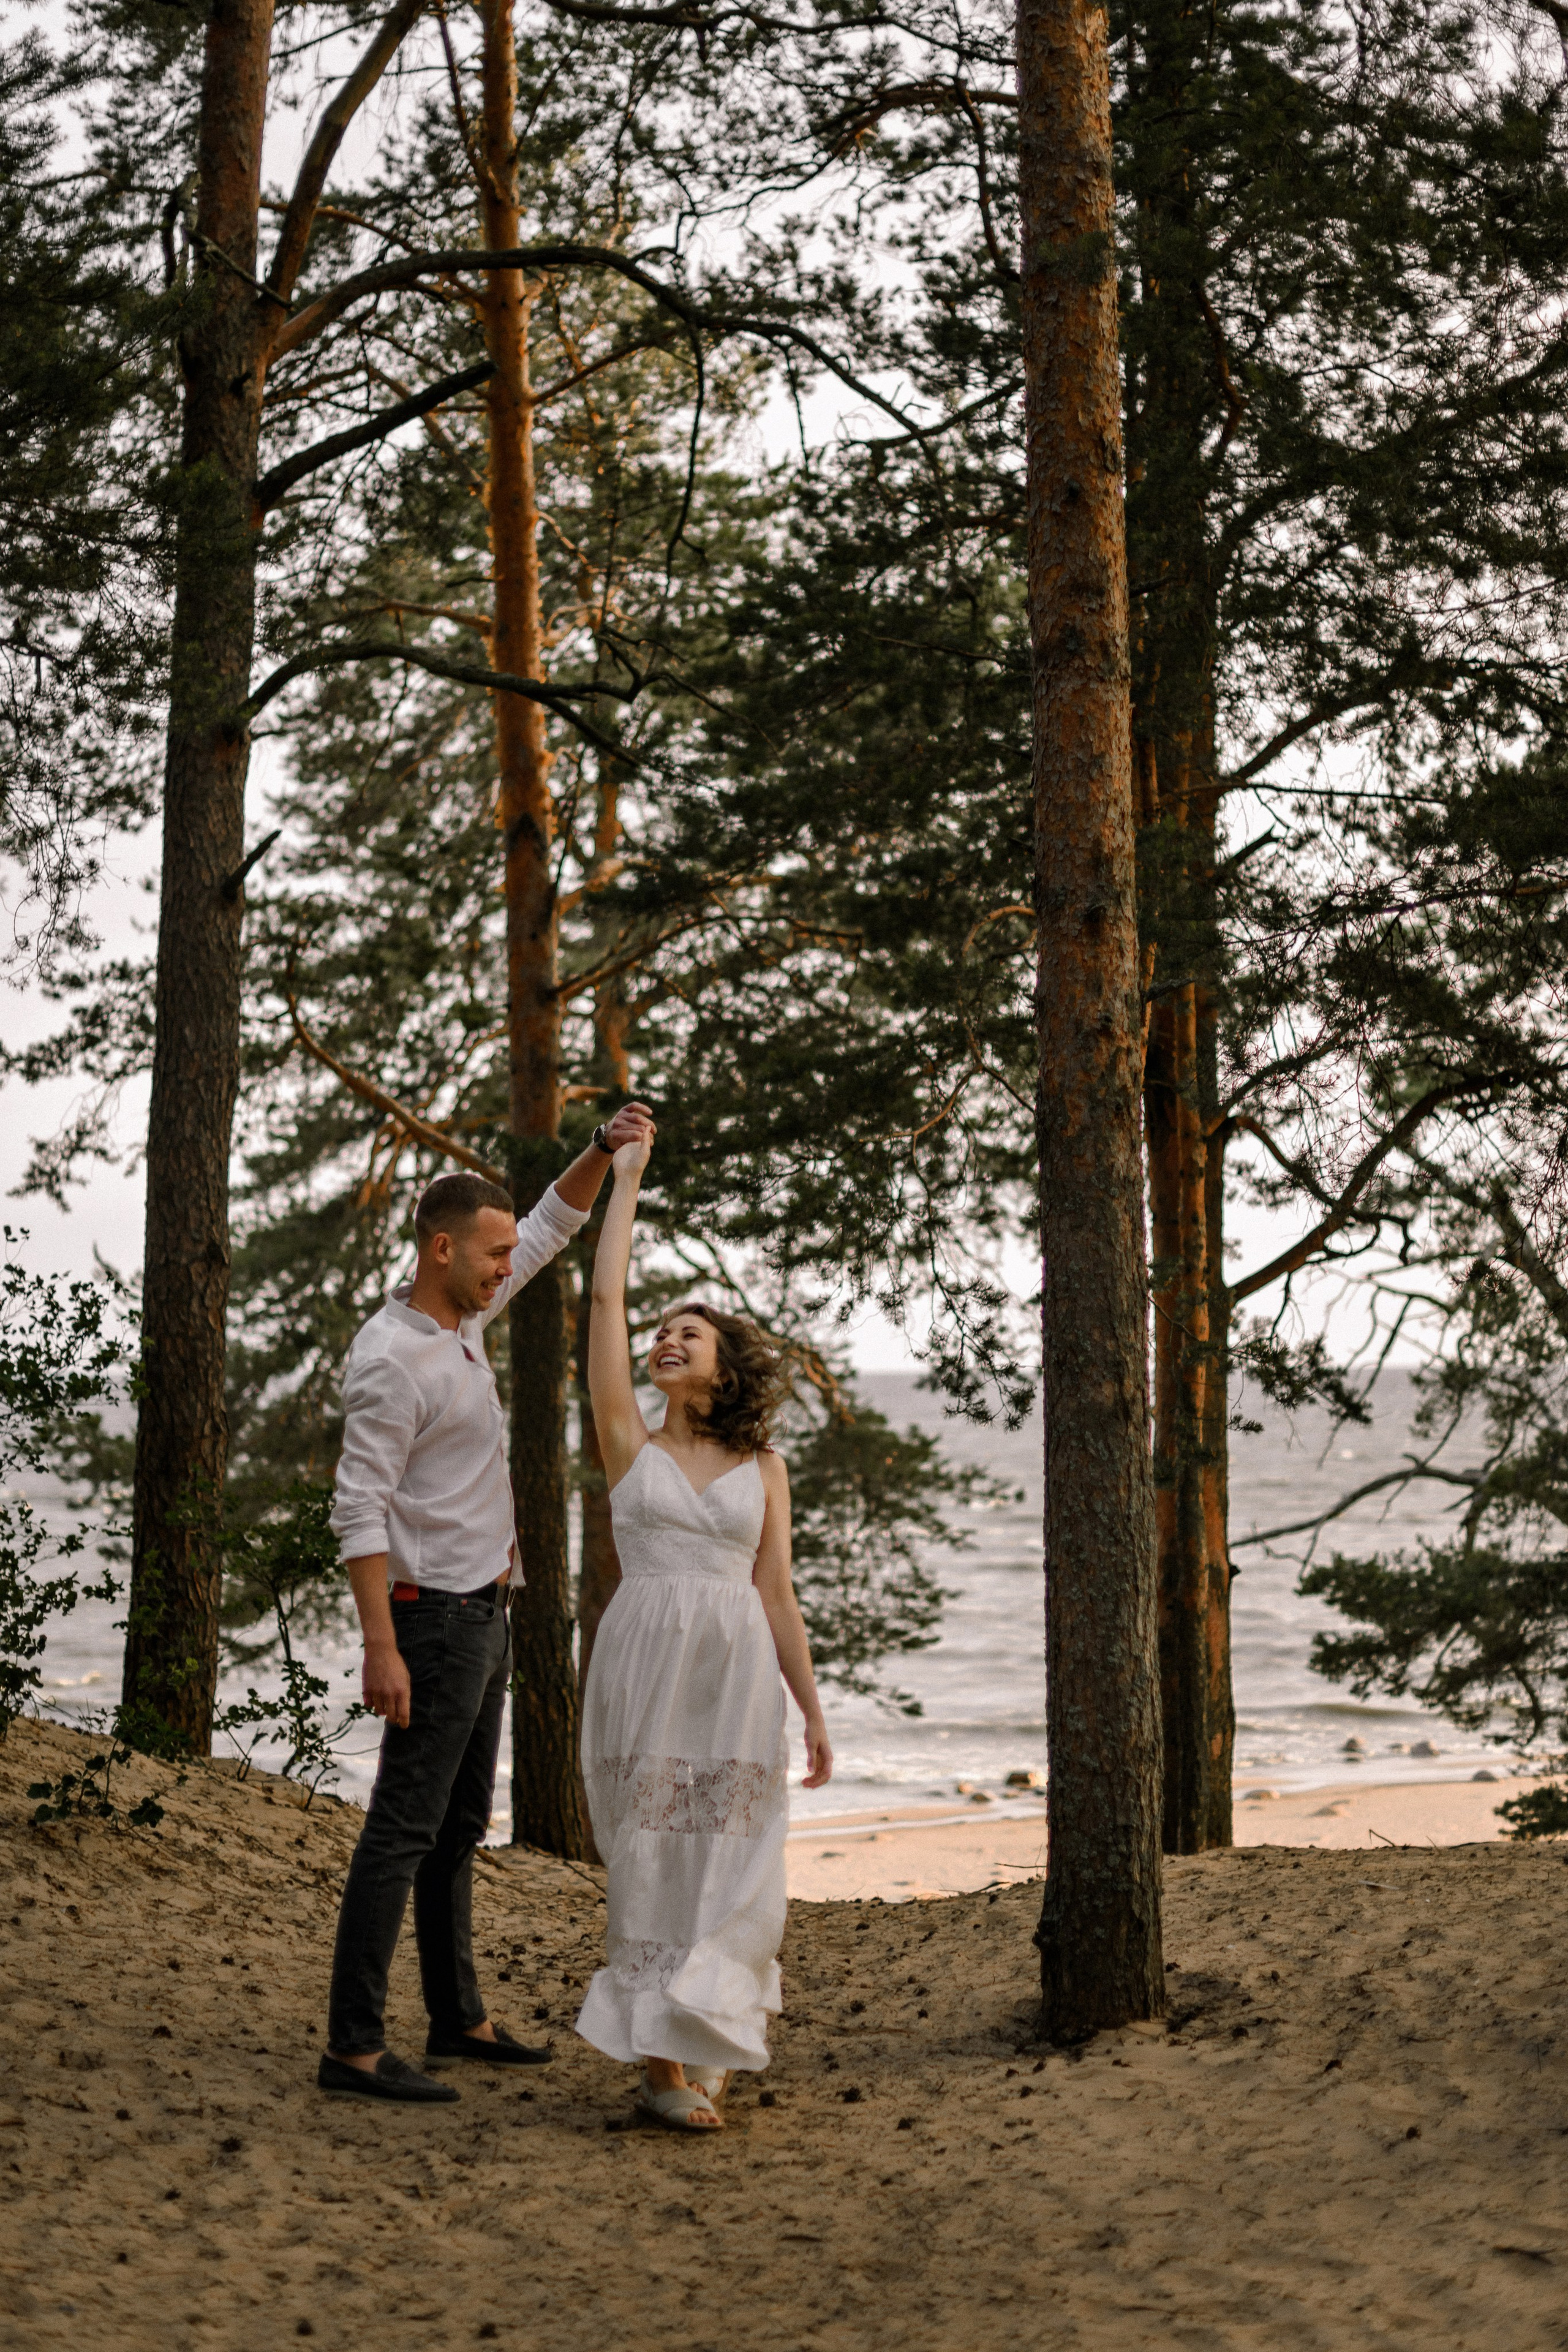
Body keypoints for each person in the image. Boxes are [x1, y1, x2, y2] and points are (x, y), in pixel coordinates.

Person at [318, 1107, 655, 2105]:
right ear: (441, 1249)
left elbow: (550, 1226)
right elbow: (358, 1509)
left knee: (459, 1825)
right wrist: (382, 1649)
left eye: (509, 1254)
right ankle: (352, 2046)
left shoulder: (461, 1321)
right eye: (493, 1253)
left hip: (485, 1614)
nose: (510, 1265)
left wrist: (598, 1150)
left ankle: (458, 2018)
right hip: (431, 1622)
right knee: (404, 1828)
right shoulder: (393, 1359)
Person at [575, 1125, 832, 2132]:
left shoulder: (764, 1467)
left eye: (693, 1332)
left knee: (735, 1852)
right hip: (646, 1662)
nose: (667, 1339)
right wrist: (626, 1179)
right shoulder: (626, 1442)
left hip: (737, 1675)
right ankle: (658, 2066)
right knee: (652, 1848)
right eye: (662, 1332)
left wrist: (810, 1712)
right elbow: (603, 1302)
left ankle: (707, 2024)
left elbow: (778, 1594)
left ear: (725, 1366)